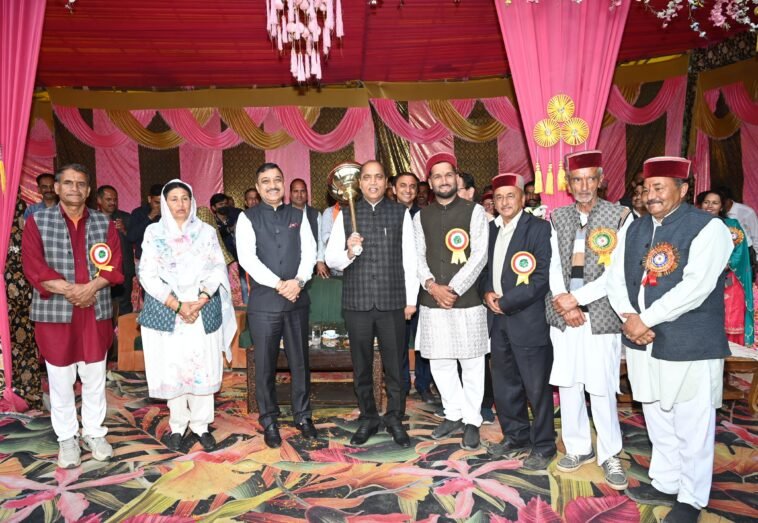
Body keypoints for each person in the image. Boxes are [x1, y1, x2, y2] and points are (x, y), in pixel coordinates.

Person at [607, 157, 733, 523]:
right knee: (656, 412)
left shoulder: (708, 228)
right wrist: (630, 317)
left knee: (691, 420)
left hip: (689, 341)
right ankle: (666, 481)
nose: (651, 195)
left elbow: (696, 287)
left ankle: (691, 498)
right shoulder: (636, 227)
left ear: (684, 189)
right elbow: (616, 278)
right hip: (642, 338)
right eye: (647, 188)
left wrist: (644, 319)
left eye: (659, 187)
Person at [22, 163, 124, 468]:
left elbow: (114, 265)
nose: (74, 189)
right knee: (60, 379)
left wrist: (90, 288)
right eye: (68, 183)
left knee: (94, 376)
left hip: (95, 311)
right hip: (55, 312)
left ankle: (94, 432)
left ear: (88, 190)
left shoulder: (104, 223)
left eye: (81, 184)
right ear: (57, 188)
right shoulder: (37, 222)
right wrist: (71, 290)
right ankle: (67, 438)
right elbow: (33, 266)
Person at [546, 150, 631, 490]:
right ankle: (578, 447)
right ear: (568, 184)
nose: (583, 186)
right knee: (569, 383)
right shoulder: (558, 217)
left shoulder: (620, 216)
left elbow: (617, 272)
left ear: (600, 181)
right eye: (576, 180)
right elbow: (553, 264)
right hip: (564, 315)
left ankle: (610, 453)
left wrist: (577, 299)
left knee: (601, 385)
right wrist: (564, 302)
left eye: (589, 179)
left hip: (601, 315)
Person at [138, 180, 237, 452]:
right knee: (175, 366)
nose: (180, 204)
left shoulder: (206, 232)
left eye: (185, 198)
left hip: (201, 308)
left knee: (202, 365)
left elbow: (217, 267)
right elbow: (146, 273)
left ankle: (202, 425)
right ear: (164, 202)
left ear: (192, 202)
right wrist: (177, 305)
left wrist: (201, 299)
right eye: (174, 198)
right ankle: (178, 425)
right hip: (169, 309)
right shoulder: (154, 232)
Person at [325, 160, 418, 448]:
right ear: (360, 183)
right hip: (358, 303)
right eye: (367, 177)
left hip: (392, 302)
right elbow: (331, 260)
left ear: (386, 182)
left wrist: (411, 300)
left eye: (378, 177)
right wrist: (349, 251)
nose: (373, 182)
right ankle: (368, 417)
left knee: (396, 367)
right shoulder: (345, 215)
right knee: (362, 366)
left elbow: (410, 257)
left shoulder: (400, 213)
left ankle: (395, 418)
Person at [236, 162, 317, 448]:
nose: (273, 185)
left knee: (300, 363)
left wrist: (299, 281)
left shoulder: (298, 214)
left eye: (277, 180)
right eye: (266, 181)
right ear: (258, 188)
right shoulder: (247, 218)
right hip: (265, 303)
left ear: (284, 184)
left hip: (297, 300)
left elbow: (310, 251)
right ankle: (269, 420)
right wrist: (280, 284)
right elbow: (247, 258)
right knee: (265, 366)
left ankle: (303, 416)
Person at [414, 152, 489, 451]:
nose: (444, 180)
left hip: (467, 300)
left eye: (448, 175)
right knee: (440, 362)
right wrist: (433, 286)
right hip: (432, 300)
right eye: (437, 176)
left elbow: (480, 255)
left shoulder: (475, 211)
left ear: (456, 178)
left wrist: (453, 289)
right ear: (430, 182)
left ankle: (472, 420)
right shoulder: (421, 216)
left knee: (472, 363)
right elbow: (417, 256)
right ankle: (454, 413)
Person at [482, 173, 555, 470]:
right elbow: (483, 269)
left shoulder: (539, 229)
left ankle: (544, 445)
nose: (504, 202)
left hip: (528, 320)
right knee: (505, 385)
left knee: (536, 388)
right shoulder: (489, 230)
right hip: (497, 321)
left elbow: (542, 277)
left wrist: (506, 302)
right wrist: (487, 293)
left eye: (510, 196)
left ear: (523, 199)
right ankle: (516, 436)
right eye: (498, 197)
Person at [455, 172, 495, 424]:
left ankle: (484, 403)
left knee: (479, 354)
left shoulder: (488, 221)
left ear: (470, 192)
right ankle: (460, 403)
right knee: (456, 351)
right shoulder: (446, 219)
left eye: (459, 189)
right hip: (453, 296)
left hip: (480, 295)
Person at [393, 172, 436, 404]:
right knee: (397, 340)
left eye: (412, 186)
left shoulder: (425, 215)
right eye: (403, 186)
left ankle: (423, 384)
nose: (408, 190)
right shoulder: (387, 213)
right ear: (394, 188)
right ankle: (400, 384)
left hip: (422, 287)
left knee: (423, 340)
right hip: (395, 287)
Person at [697, 190, 753, 346]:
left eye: (715, 203)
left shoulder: (732, 225)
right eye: (706, 202)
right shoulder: (692, 225)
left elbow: (740, 251)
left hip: (728, 278)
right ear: (700, 205)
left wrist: (721, 266)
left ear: (722, 207)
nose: (710, 206)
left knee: (730, 315)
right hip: (699, 278)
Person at [5, 196, 43, 410]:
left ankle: (28, 392)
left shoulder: (25, 233)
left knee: (24, 344)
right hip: (10, 297)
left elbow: (35, 264)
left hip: (22, 298)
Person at [97, 185, 135, 315]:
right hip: (99, 271)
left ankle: (124, 329)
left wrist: (124, 230)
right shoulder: (92, 219)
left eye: (115, 199)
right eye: (108, 199)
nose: (113, 202)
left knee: (124, 305)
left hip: (124, 270)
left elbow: (135, 240)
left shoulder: (126, 218)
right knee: (102, 305)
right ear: (99, 200)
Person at [290, 178, 329, 279]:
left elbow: (320, 240)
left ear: (307, 194)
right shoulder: (283, 214)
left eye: (302, 191)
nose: (299, 195)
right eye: (296, 191)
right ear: (290, 194)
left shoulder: (315, 214)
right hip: (289, 266)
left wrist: (320, 260)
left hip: (310, 267)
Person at [128, 183, 163, 261]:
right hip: (143, 259)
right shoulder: (138, 213)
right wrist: (149, 217)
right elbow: (131, 237)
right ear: (149, 199)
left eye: (163, 203)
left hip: (165, 260)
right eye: (157, 202)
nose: (160, 206)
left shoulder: (169, 214)